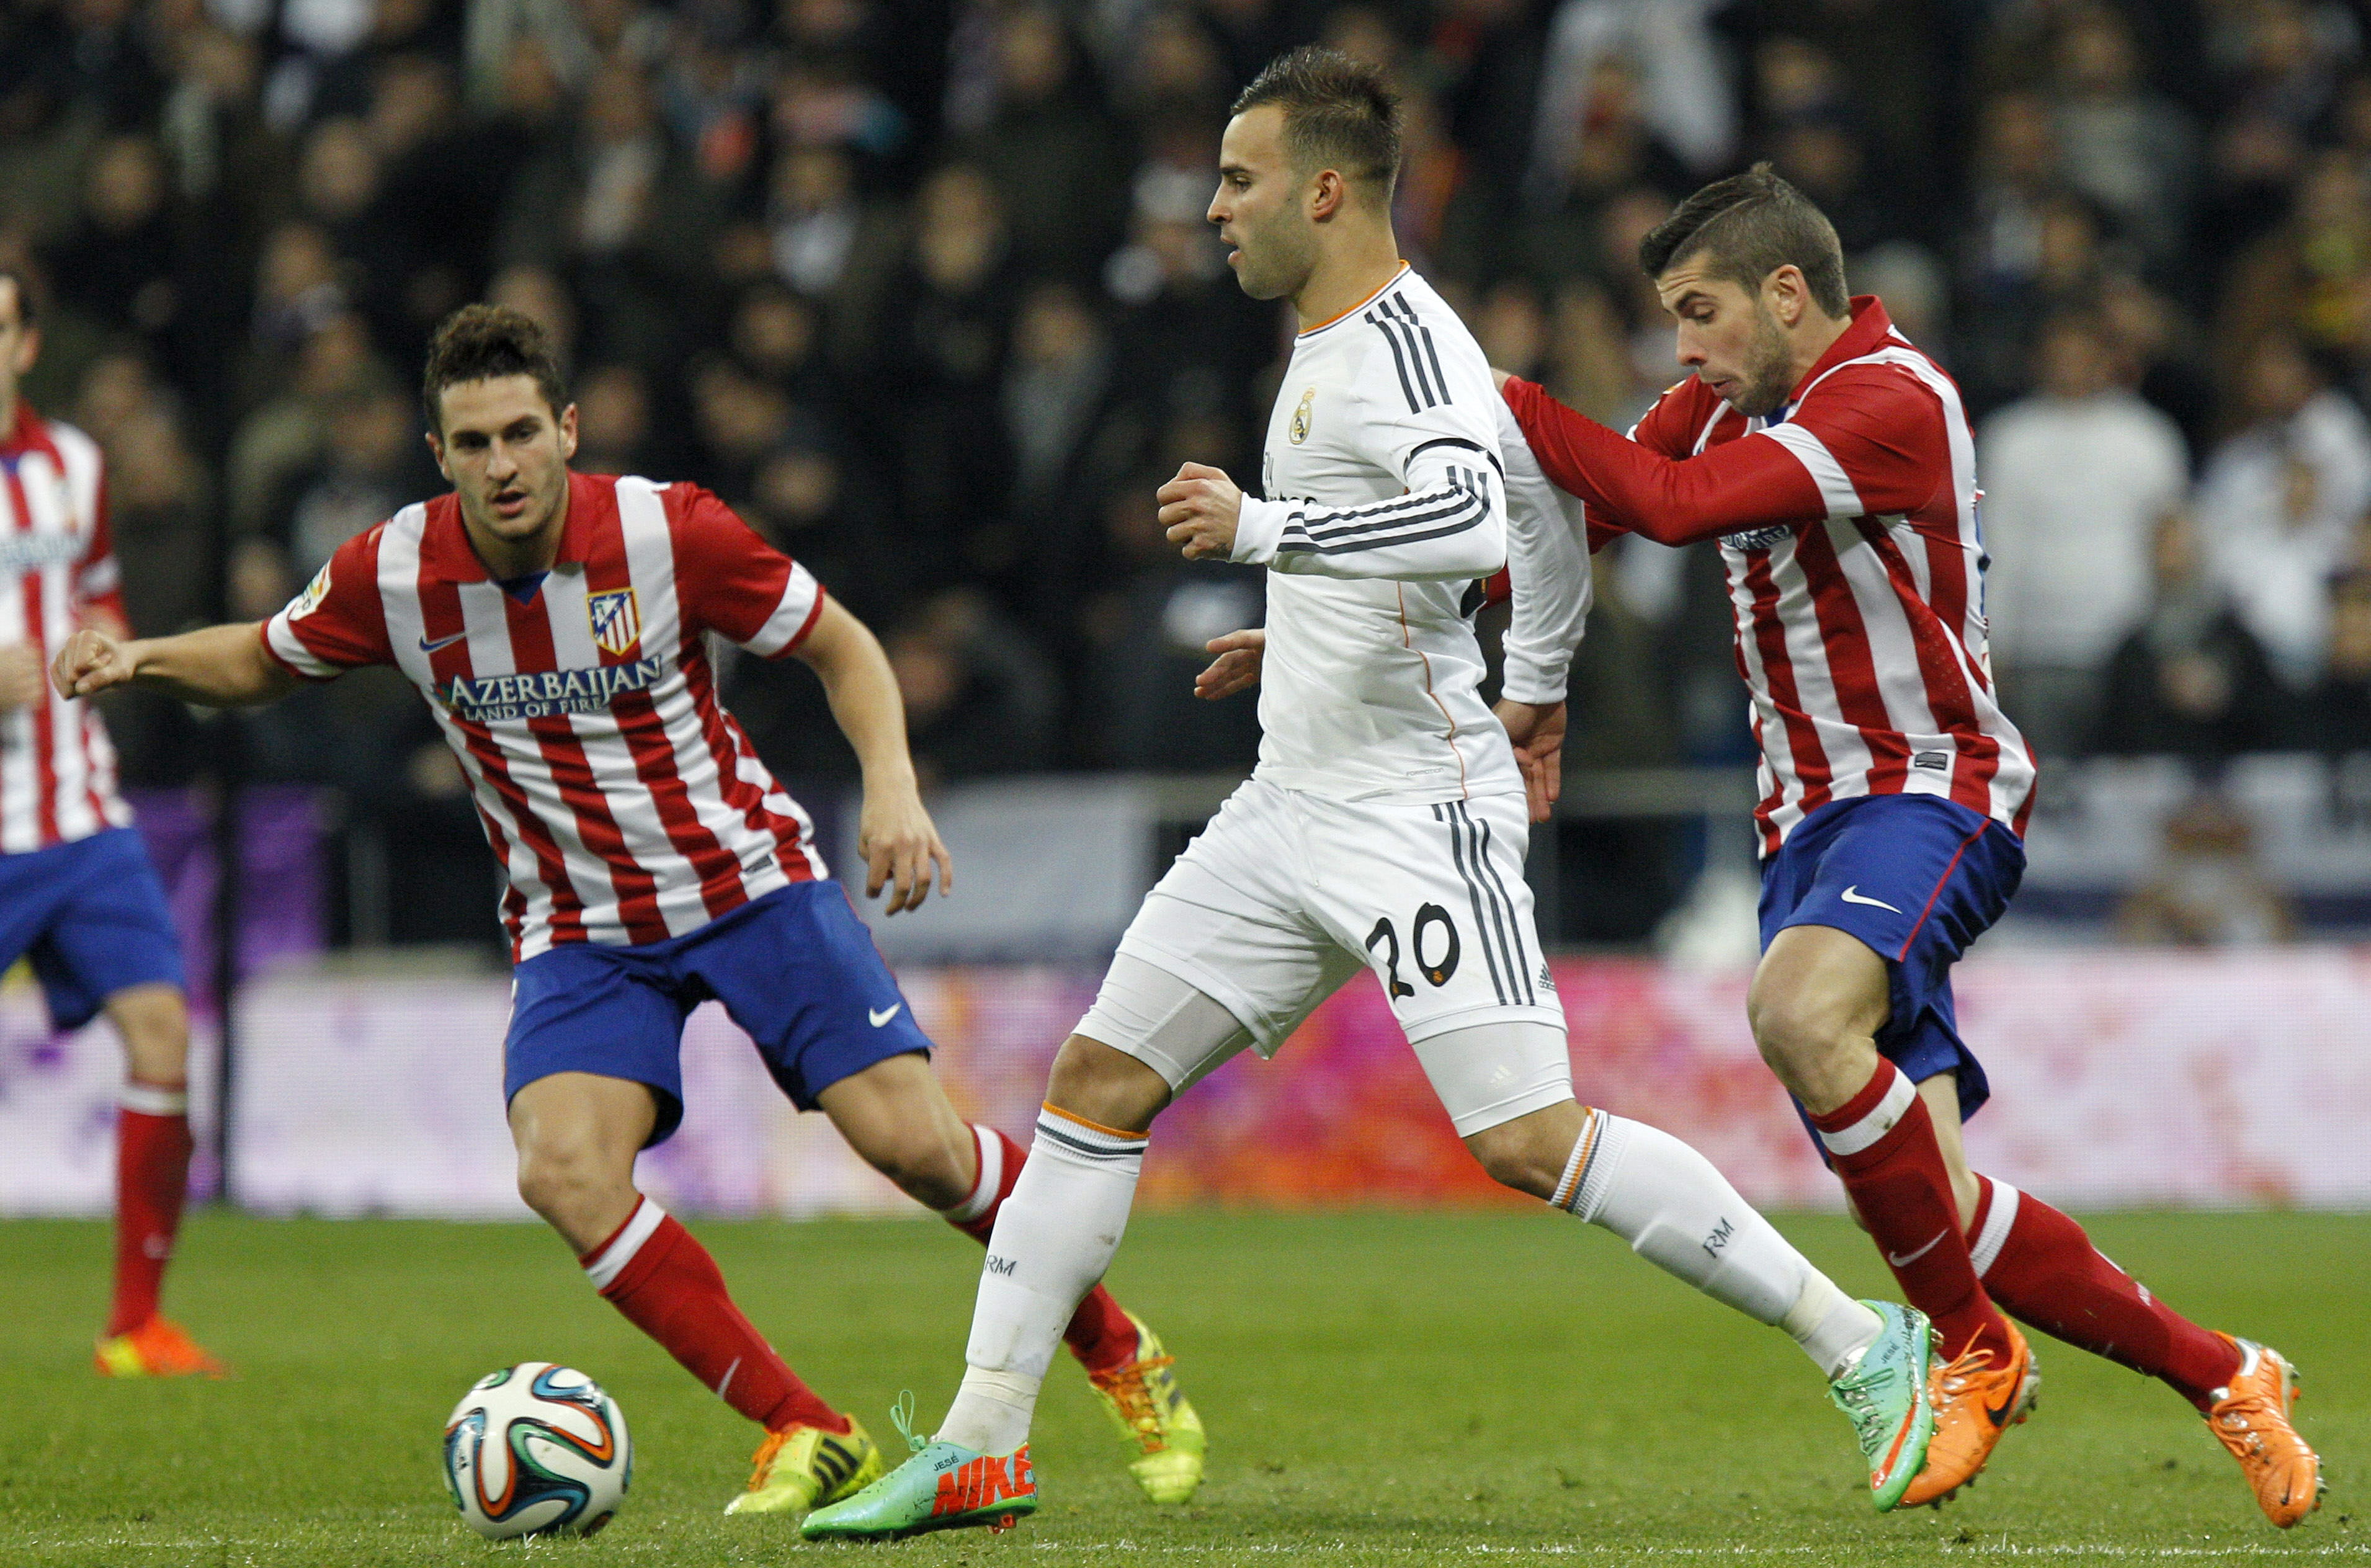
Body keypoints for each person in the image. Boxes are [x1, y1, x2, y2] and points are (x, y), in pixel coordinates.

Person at [805, 50, 1938, 1543]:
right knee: (1093, 1086)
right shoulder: (1330, 345)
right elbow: (1504, 527)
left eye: (1239, 179)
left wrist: (1269, 532)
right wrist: (1335, 629)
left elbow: (1474, 506)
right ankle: (982, 1442)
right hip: (1290, 803)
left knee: (1529, 1137)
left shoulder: (1409, 344)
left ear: (1325, 190)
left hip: (1414, 810)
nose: (1214, 209)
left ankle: (1867, 1344)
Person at [51, 304, 1197, 1520]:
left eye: (521, 433)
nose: (502, 464)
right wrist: (139, 659)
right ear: (440, 455)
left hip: (745, 882)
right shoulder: (396, 571)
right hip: (580, 926)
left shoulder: (666, 531)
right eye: (475, 442)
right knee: (564, 1171)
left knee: (915, 1147)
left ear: (568, 430)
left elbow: (847, 647)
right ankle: (807, 1427)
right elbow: (263, 659)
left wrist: (894, 789)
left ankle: (1123, 1352)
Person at [1494, 162, 2323, 1526]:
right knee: (1937, 1197)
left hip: (1928, 792)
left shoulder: (1890, 397)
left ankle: (1974, 1351)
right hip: (1806, 826)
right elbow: (1574, 517)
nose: (1681, 349)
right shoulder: (1724, 399)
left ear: (1785, 292)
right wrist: (1324, 602)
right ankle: (2228, 1373)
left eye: (1699, 313)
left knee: (1799, 1016)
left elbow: (1668, 504)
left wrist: (1500, 395)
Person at [0, 266, 219, 1380]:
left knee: (165, 1035)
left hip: (79, 812)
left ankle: (136, 1325)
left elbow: (98, 595)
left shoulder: (74, 469)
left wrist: (103, 645)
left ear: (27, 343)